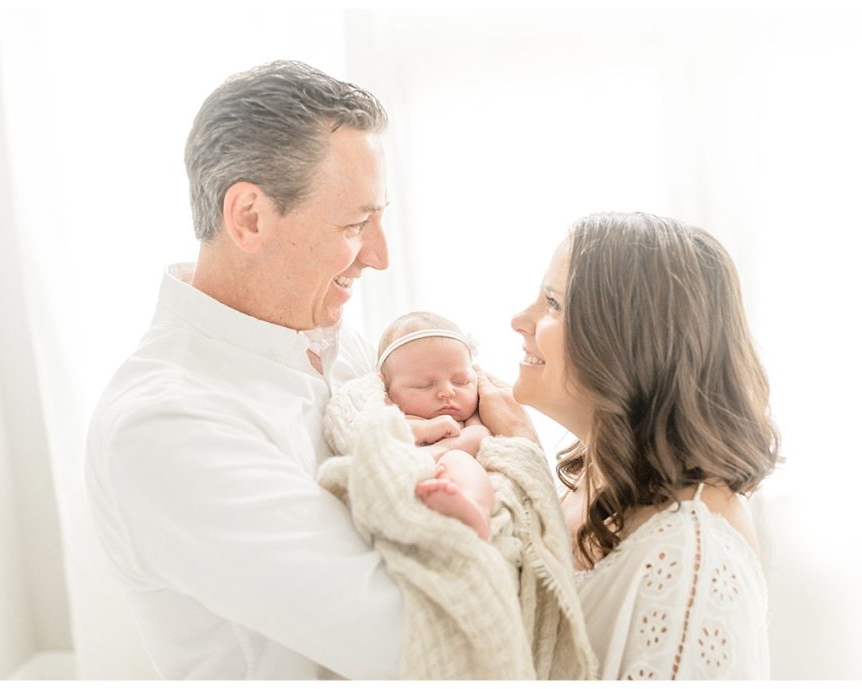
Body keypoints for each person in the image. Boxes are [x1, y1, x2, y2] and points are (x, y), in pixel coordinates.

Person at [85, 60, 406, 680]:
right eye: (356, 223)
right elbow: (406, 643)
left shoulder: (346, 349)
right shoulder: (165, 425)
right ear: (250, 217)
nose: (380, 255)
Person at [479, 211, 781, 679]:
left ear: (627, 339)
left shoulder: (691, 559)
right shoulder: (585, 478)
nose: (520, 319)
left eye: (554, 304)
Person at [376, 311, 494, 539]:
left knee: (461, 462)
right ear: (387, 387)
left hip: (450, 474)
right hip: (401, 480)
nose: (447, 392)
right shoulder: (392, 413)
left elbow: (480, 435)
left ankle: (473, 506)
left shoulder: (465, 420)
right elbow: (382, 432)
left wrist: (445, 449)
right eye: (423, 385)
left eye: (461, 381)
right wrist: (426, 430)